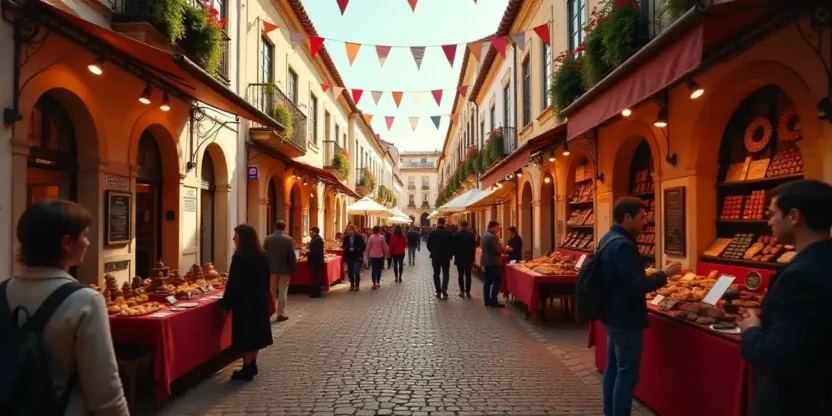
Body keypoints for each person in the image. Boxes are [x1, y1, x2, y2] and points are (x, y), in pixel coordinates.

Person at [0, 200, 129, 415]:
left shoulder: (3, 292)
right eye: (84, 235)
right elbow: (105, 393)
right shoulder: (86, 301)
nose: (88, 242)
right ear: (67, 243)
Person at [738, 180, 832, 416]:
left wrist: (751, 330)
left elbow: (776, 357)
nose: (769, 221)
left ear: (794, 216)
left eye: (772, 214)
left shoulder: (801, 277)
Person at [598, 197, 681, 416]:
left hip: (611, 315)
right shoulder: (623, 246)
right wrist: (664, 275)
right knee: (626, 375)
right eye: (642, 217)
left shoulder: (607, 238)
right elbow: (636, 286)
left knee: (613, 369)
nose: (646, 222)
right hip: (625, 318)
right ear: (627, 218)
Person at [221, 224, 273, 381]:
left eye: (235, 236)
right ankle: (252, 364)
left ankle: (247, 368)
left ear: (243, 238)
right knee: (256, 335)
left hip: (245, 303)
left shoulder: (240, 257)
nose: (233, 239)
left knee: (247, 336)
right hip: (260, 300)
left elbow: (234, 284)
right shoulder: (262, 255)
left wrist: (226, 305)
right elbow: (267, 278)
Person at [263, 220, 297, 322]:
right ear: (284, 228)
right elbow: (292, 255)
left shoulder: (268, 239)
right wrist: (293, 267)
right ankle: (281, 313)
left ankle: (270, 311)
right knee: (283, 291)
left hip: (272, 269)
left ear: (275, 227)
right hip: (285, 269)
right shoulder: (288, 239)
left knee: (272, 290)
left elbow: (263, 253)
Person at [480, 220, 505, 308]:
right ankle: (493, 300)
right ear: (493, 227)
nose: (499, 229)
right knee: (497, 281)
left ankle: (487, 300)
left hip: (487, 261)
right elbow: (498, 249)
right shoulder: (491, 237)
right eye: (498, 227)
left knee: (487, 282)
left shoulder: (484, 235)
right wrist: (504, 249)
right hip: (493, 262)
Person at [427, 217, 454, 298]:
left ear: (438, 222)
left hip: (435, 257)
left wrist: (433, 251)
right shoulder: (449, 233)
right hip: (446, 257)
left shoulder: (432, 232)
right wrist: (450, 255)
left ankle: (438, 290)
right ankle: (444, 288)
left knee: (436, 274)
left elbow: (428, 245)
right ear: (444, 223)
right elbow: (451, 246)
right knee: (446, 273)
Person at [453, 220, 476, 298]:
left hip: (459, 257)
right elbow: (474, 247)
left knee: (460, 275)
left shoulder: (456, 234)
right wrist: (473, 257)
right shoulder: (471, 235)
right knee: (468, 275)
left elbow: (454, 247)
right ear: (467, 226)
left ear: (460, 225)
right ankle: (468, 292)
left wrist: (454, 255)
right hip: (468, 257)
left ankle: (462, 291)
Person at [342, 225, 366, 291]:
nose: (349, 231)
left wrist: (356, 249)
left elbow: (363, 247)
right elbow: (343, 246)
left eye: (350, 229)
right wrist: (346, 248)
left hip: (357, 257)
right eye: (348, 230)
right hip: (349, 257)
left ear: (353, 230)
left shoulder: (359, 237)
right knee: (350, 272)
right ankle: (352, 284)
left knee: (356, 271)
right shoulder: (346, 238)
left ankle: (357, 284)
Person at [308, 226, 325, 298]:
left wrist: (307, 253)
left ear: (314, 232)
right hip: (315, 260)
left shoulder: (317, 239)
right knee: (316, 276)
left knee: (317, 276)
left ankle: (317, 293)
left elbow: (315, 251)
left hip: (316, 260)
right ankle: (316, 291)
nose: (309, 233)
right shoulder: (315, 239)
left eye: (311, 231)